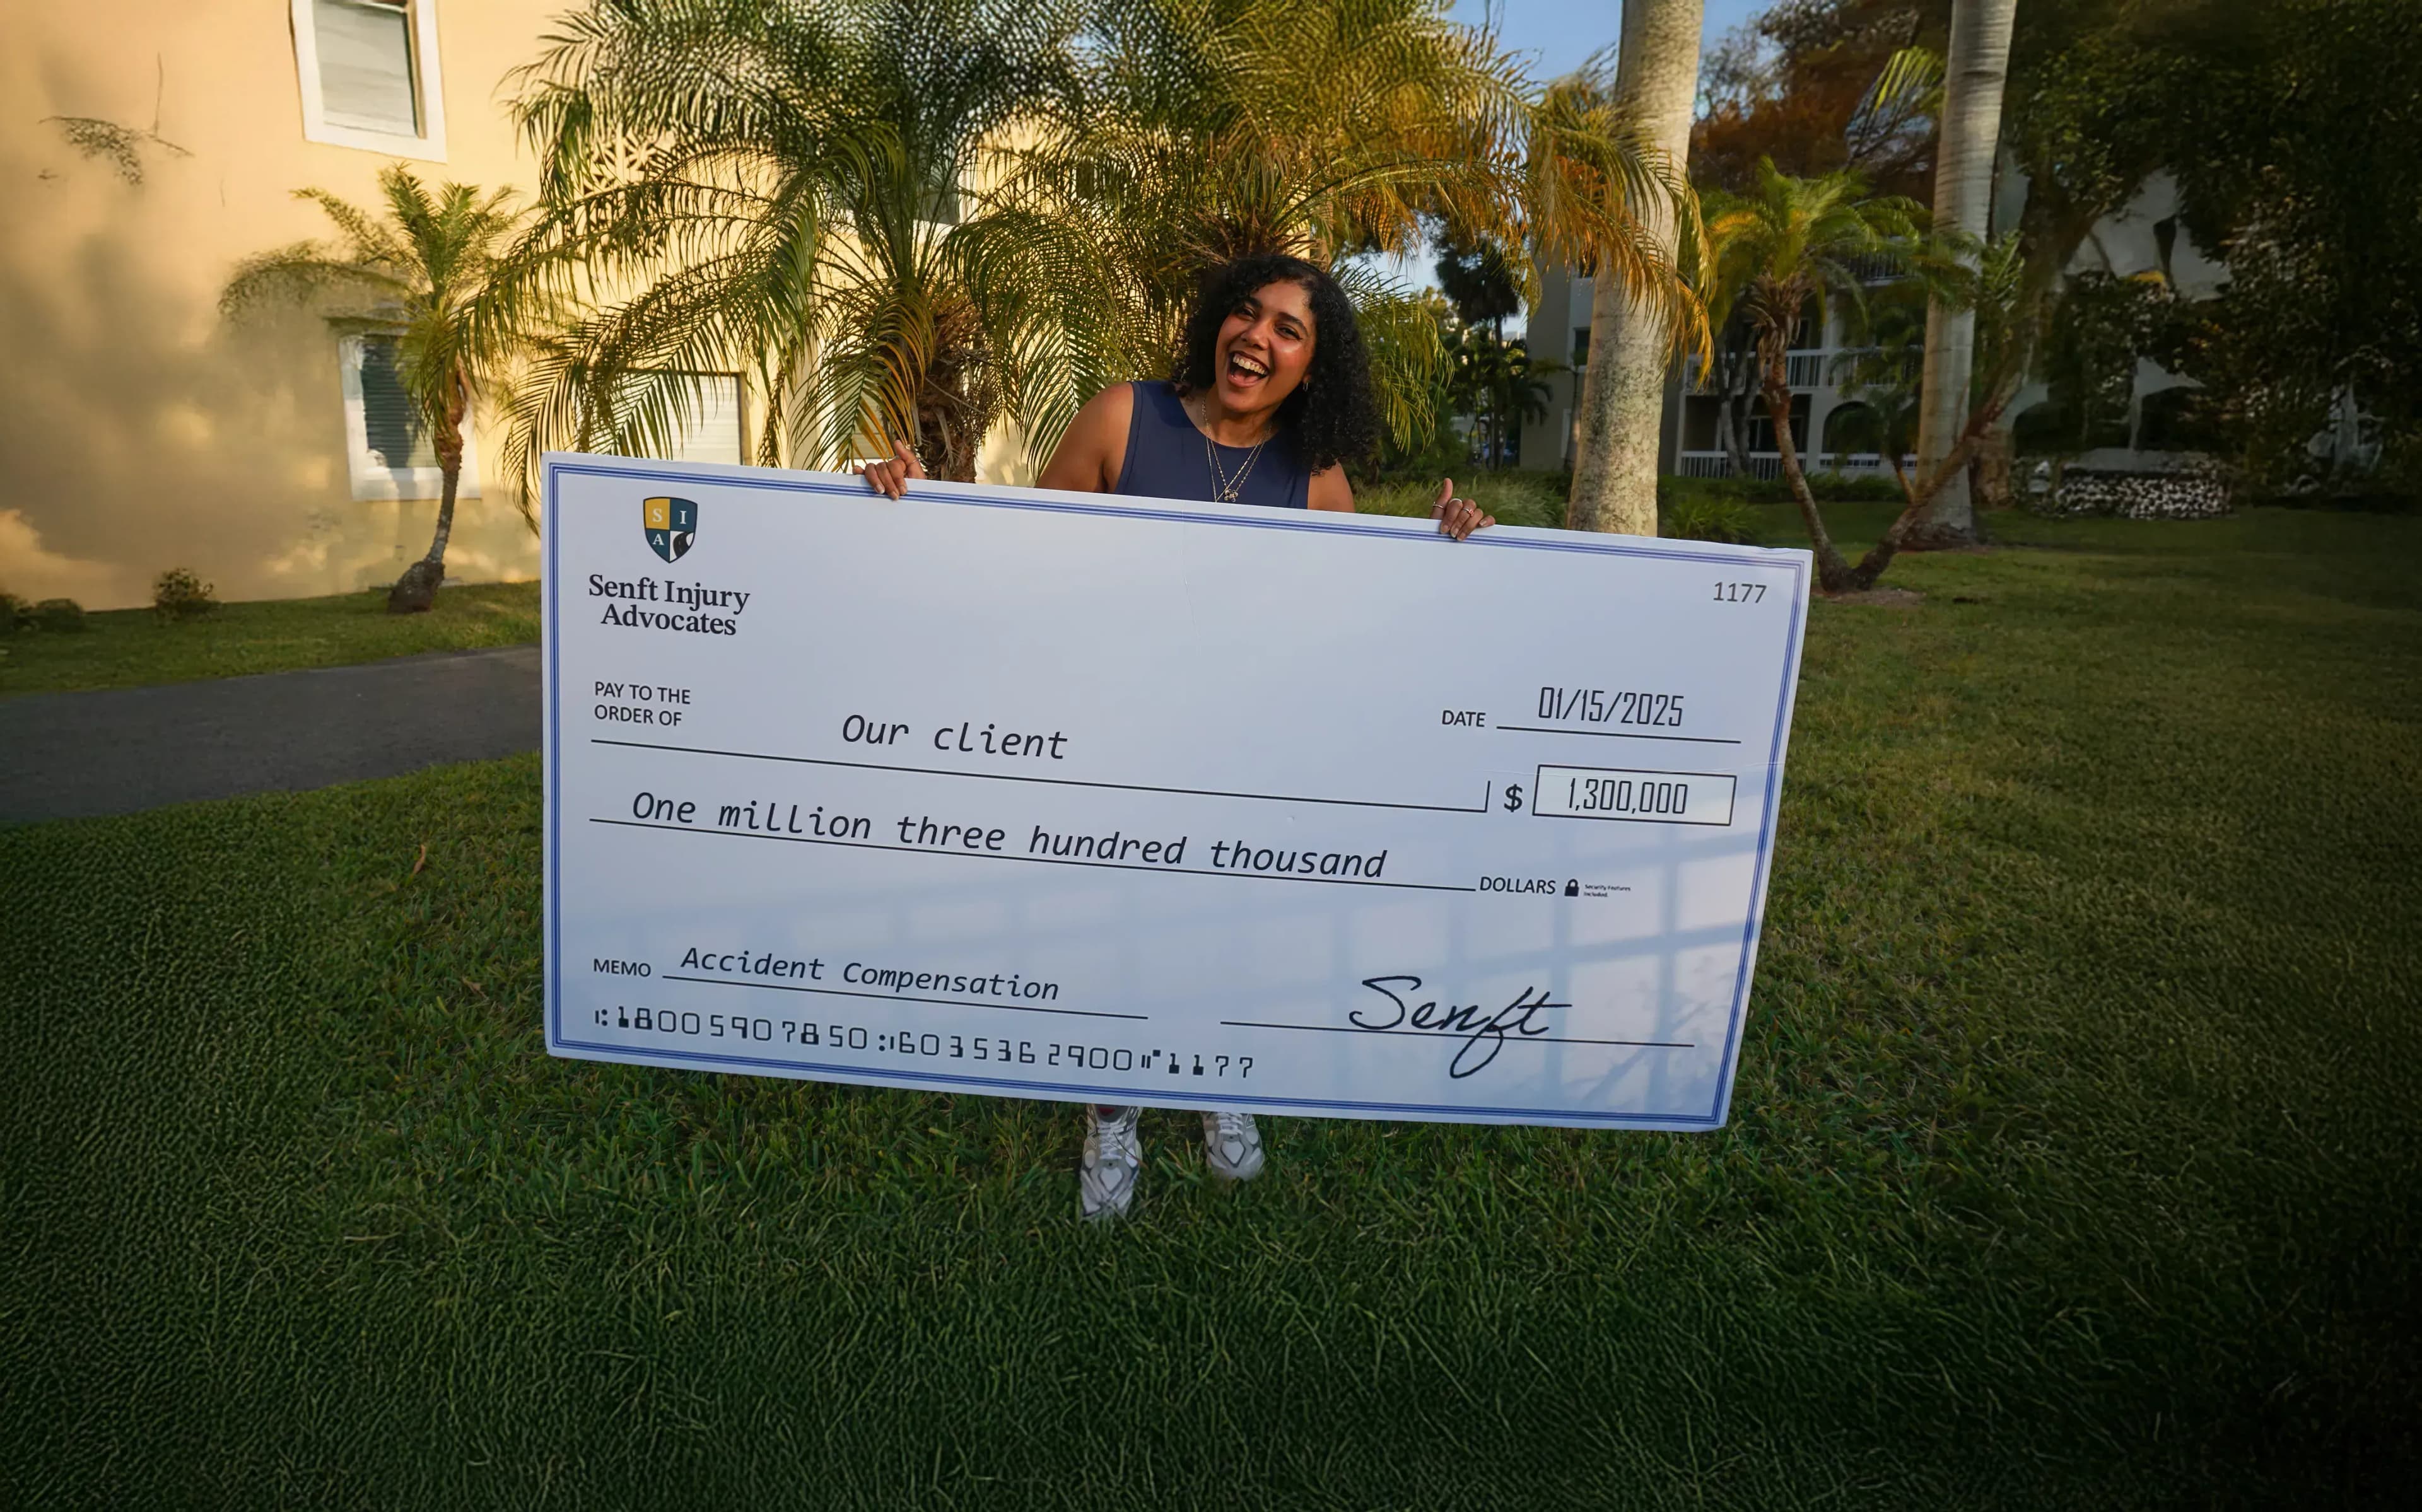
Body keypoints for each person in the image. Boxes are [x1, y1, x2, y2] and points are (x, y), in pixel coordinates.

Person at [860, 251, 1495, 1221]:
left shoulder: (1316, 476)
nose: (1259, 337)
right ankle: (1112, 1112)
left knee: (1229, 931)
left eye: (1290, 329)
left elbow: (1359, 630)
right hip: (1112, 745)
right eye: (1248, 314)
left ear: (1313, 365)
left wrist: (1449, 543)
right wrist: (912, 503)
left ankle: (1219, 1074)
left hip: (1243, 761)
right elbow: (1017, 563)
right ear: (1217, 324)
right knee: (1117, 938)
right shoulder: (1126, 416)